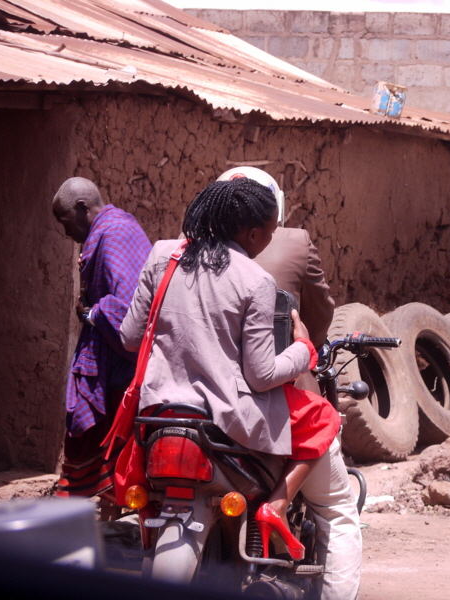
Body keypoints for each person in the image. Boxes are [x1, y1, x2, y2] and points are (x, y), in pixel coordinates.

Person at [120, 179, 359, 598]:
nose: (271, 239)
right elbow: (262, 374)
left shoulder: (162, 255)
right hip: (226, 429)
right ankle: (282, 508)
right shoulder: (255, 279)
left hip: (157, 418)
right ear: (251, 233)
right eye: (269, 230)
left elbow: (128, 337)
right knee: (338, 507)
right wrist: (304, 350)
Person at [51, 177, 152, 510]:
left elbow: (128, 311)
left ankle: (113, 525)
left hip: (119, 370)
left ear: (82, 208)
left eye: (66, 222)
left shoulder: (113, 236)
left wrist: (93, 313)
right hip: (112, 361)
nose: (66, 233)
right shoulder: (115, 229)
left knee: (111, 454)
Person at [217, 167, 335, 390]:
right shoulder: (296, 240)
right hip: (273, 381)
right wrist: (305, 345)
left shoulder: (184, 242)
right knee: (323, 420)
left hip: (200, 379)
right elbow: (319, 311)